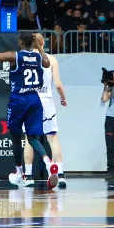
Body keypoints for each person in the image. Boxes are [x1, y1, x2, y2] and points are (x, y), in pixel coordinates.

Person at [0, 28, 58, 189]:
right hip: (35, 99)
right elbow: (47, 63)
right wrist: (39, 47)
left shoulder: (15, 56)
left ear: (20, 42)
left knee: (15, 136)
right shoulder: (37, 56)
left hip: (19, 99)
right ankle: (48, 162)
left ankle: (19, 172)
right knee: (33, 138)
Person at [24, 50, 68, 187]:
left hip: (30, 99)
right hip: (46, 101)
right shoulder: (51, 59)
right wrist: (63, 97)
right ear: (42, 43)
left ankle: (29, 176)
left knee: (29, 139)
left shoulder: (24, 58)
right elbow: (58, 84)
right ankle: (60, 174)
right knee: (52, 138)